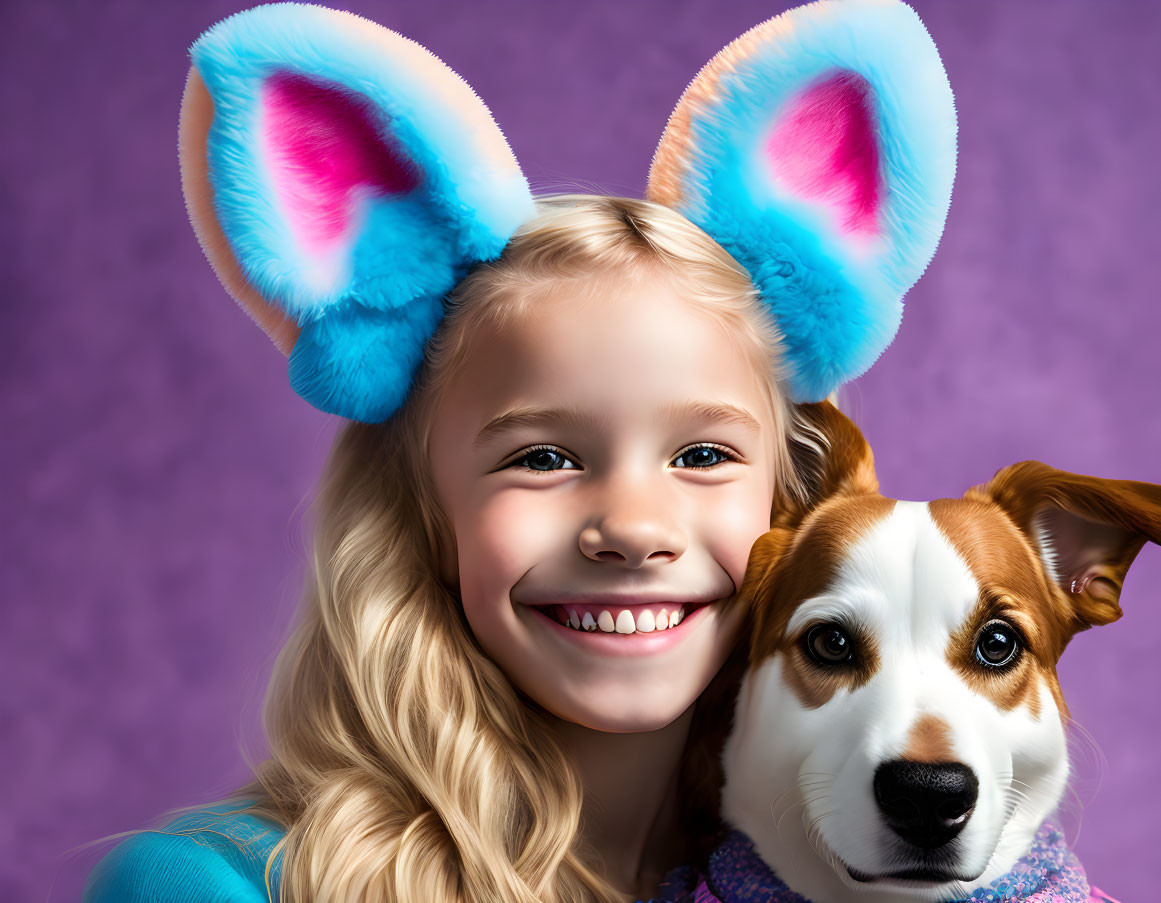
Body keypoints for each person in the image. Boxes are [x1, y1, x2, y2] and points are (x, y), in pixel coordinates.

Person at [82, 1, 955, 900]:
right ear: (423, 506)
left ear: (793, 498)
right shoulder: (217, 885)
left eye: (701, 455)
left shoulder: (870, 864)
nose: (634, 526)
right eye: (542, 457)